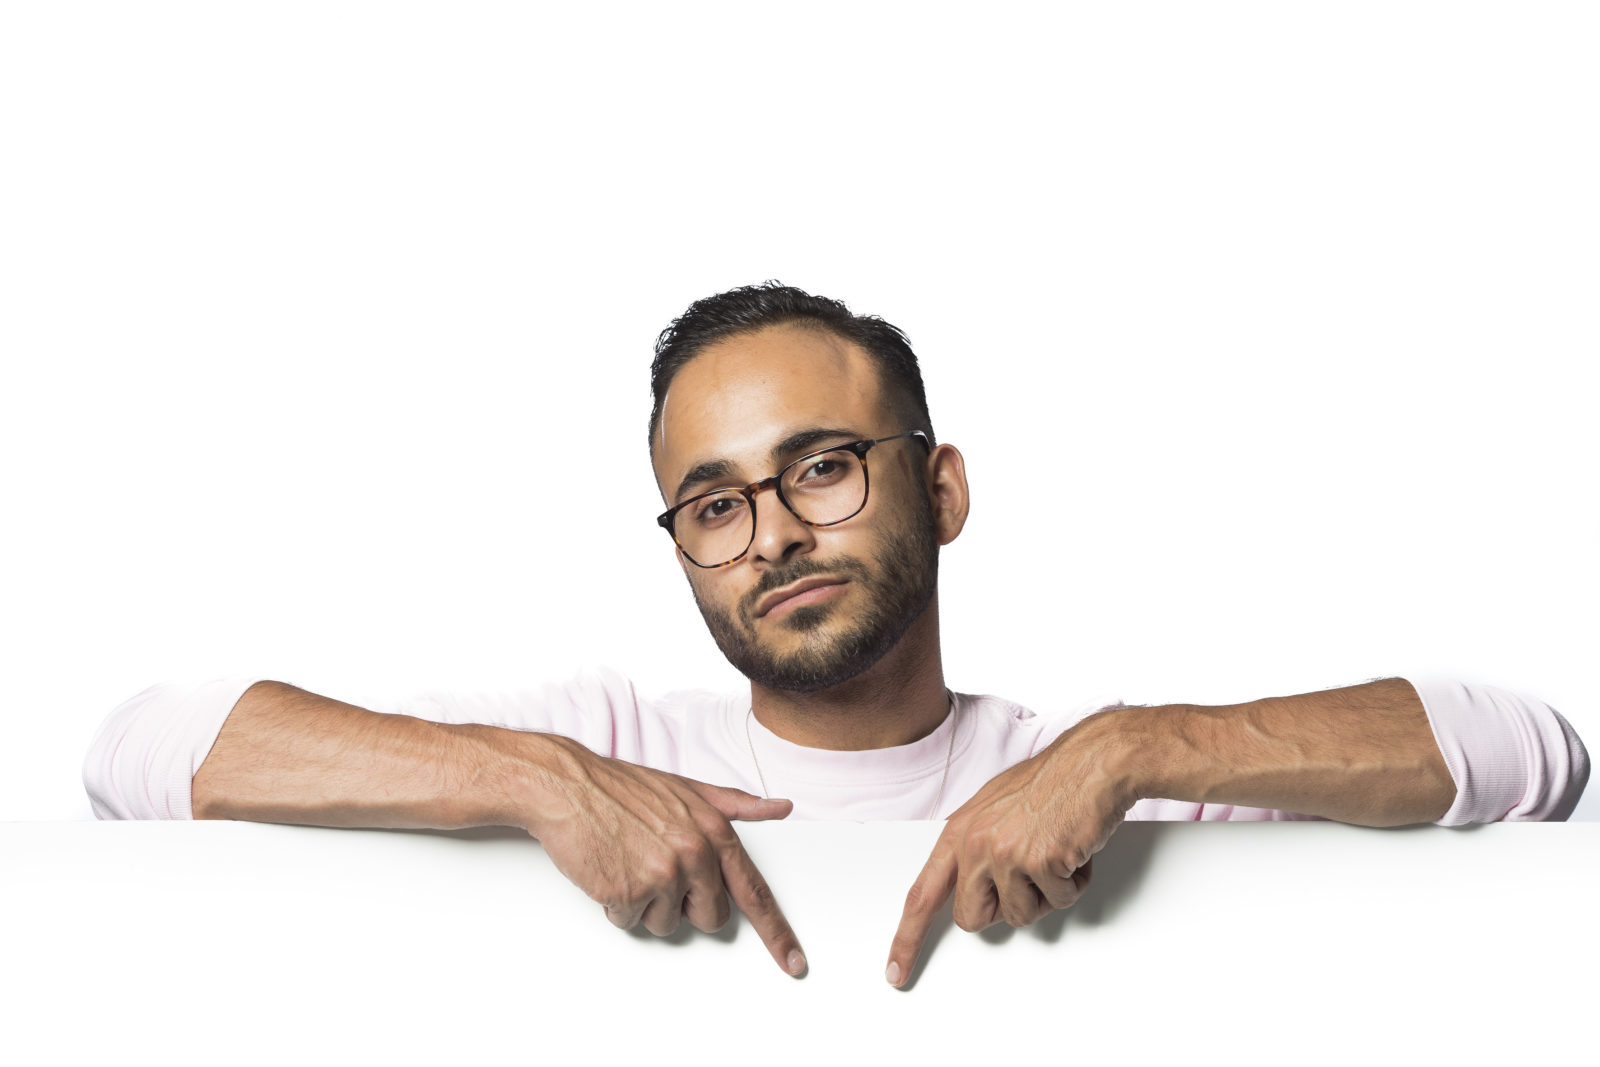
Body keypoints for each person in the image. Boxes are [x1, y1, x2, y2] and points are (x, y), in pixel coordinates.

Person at [84, 282, 1590, 988]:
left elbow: (1535, 757)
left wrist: (1135, 750)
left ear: (942, 489)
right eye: (713, 504)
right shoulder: (606, 747)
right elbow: (142, 755)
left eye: (819, 467)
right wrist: (536, 780)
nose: (773, 536)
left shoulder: (1103, 784)